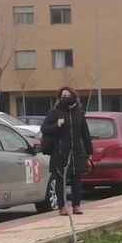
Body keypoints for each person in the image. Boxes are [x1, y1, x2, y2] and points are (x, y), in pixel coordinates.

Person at [39, 86, 95, 216]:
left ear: (74, 97)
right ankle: (62, 206)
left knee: (76, 180)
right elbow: (44, 129)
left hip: (77, 152)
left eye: (69, 96)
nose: (66, 98)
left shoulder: (79, 113)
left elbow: (85, 134)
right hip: (60, 152)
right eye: (64, 96)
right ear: (60, 98)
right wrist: (57, 125)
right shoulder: (55, 113)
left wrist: (89, 152)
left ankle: (76, 205)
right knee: (60, 180)